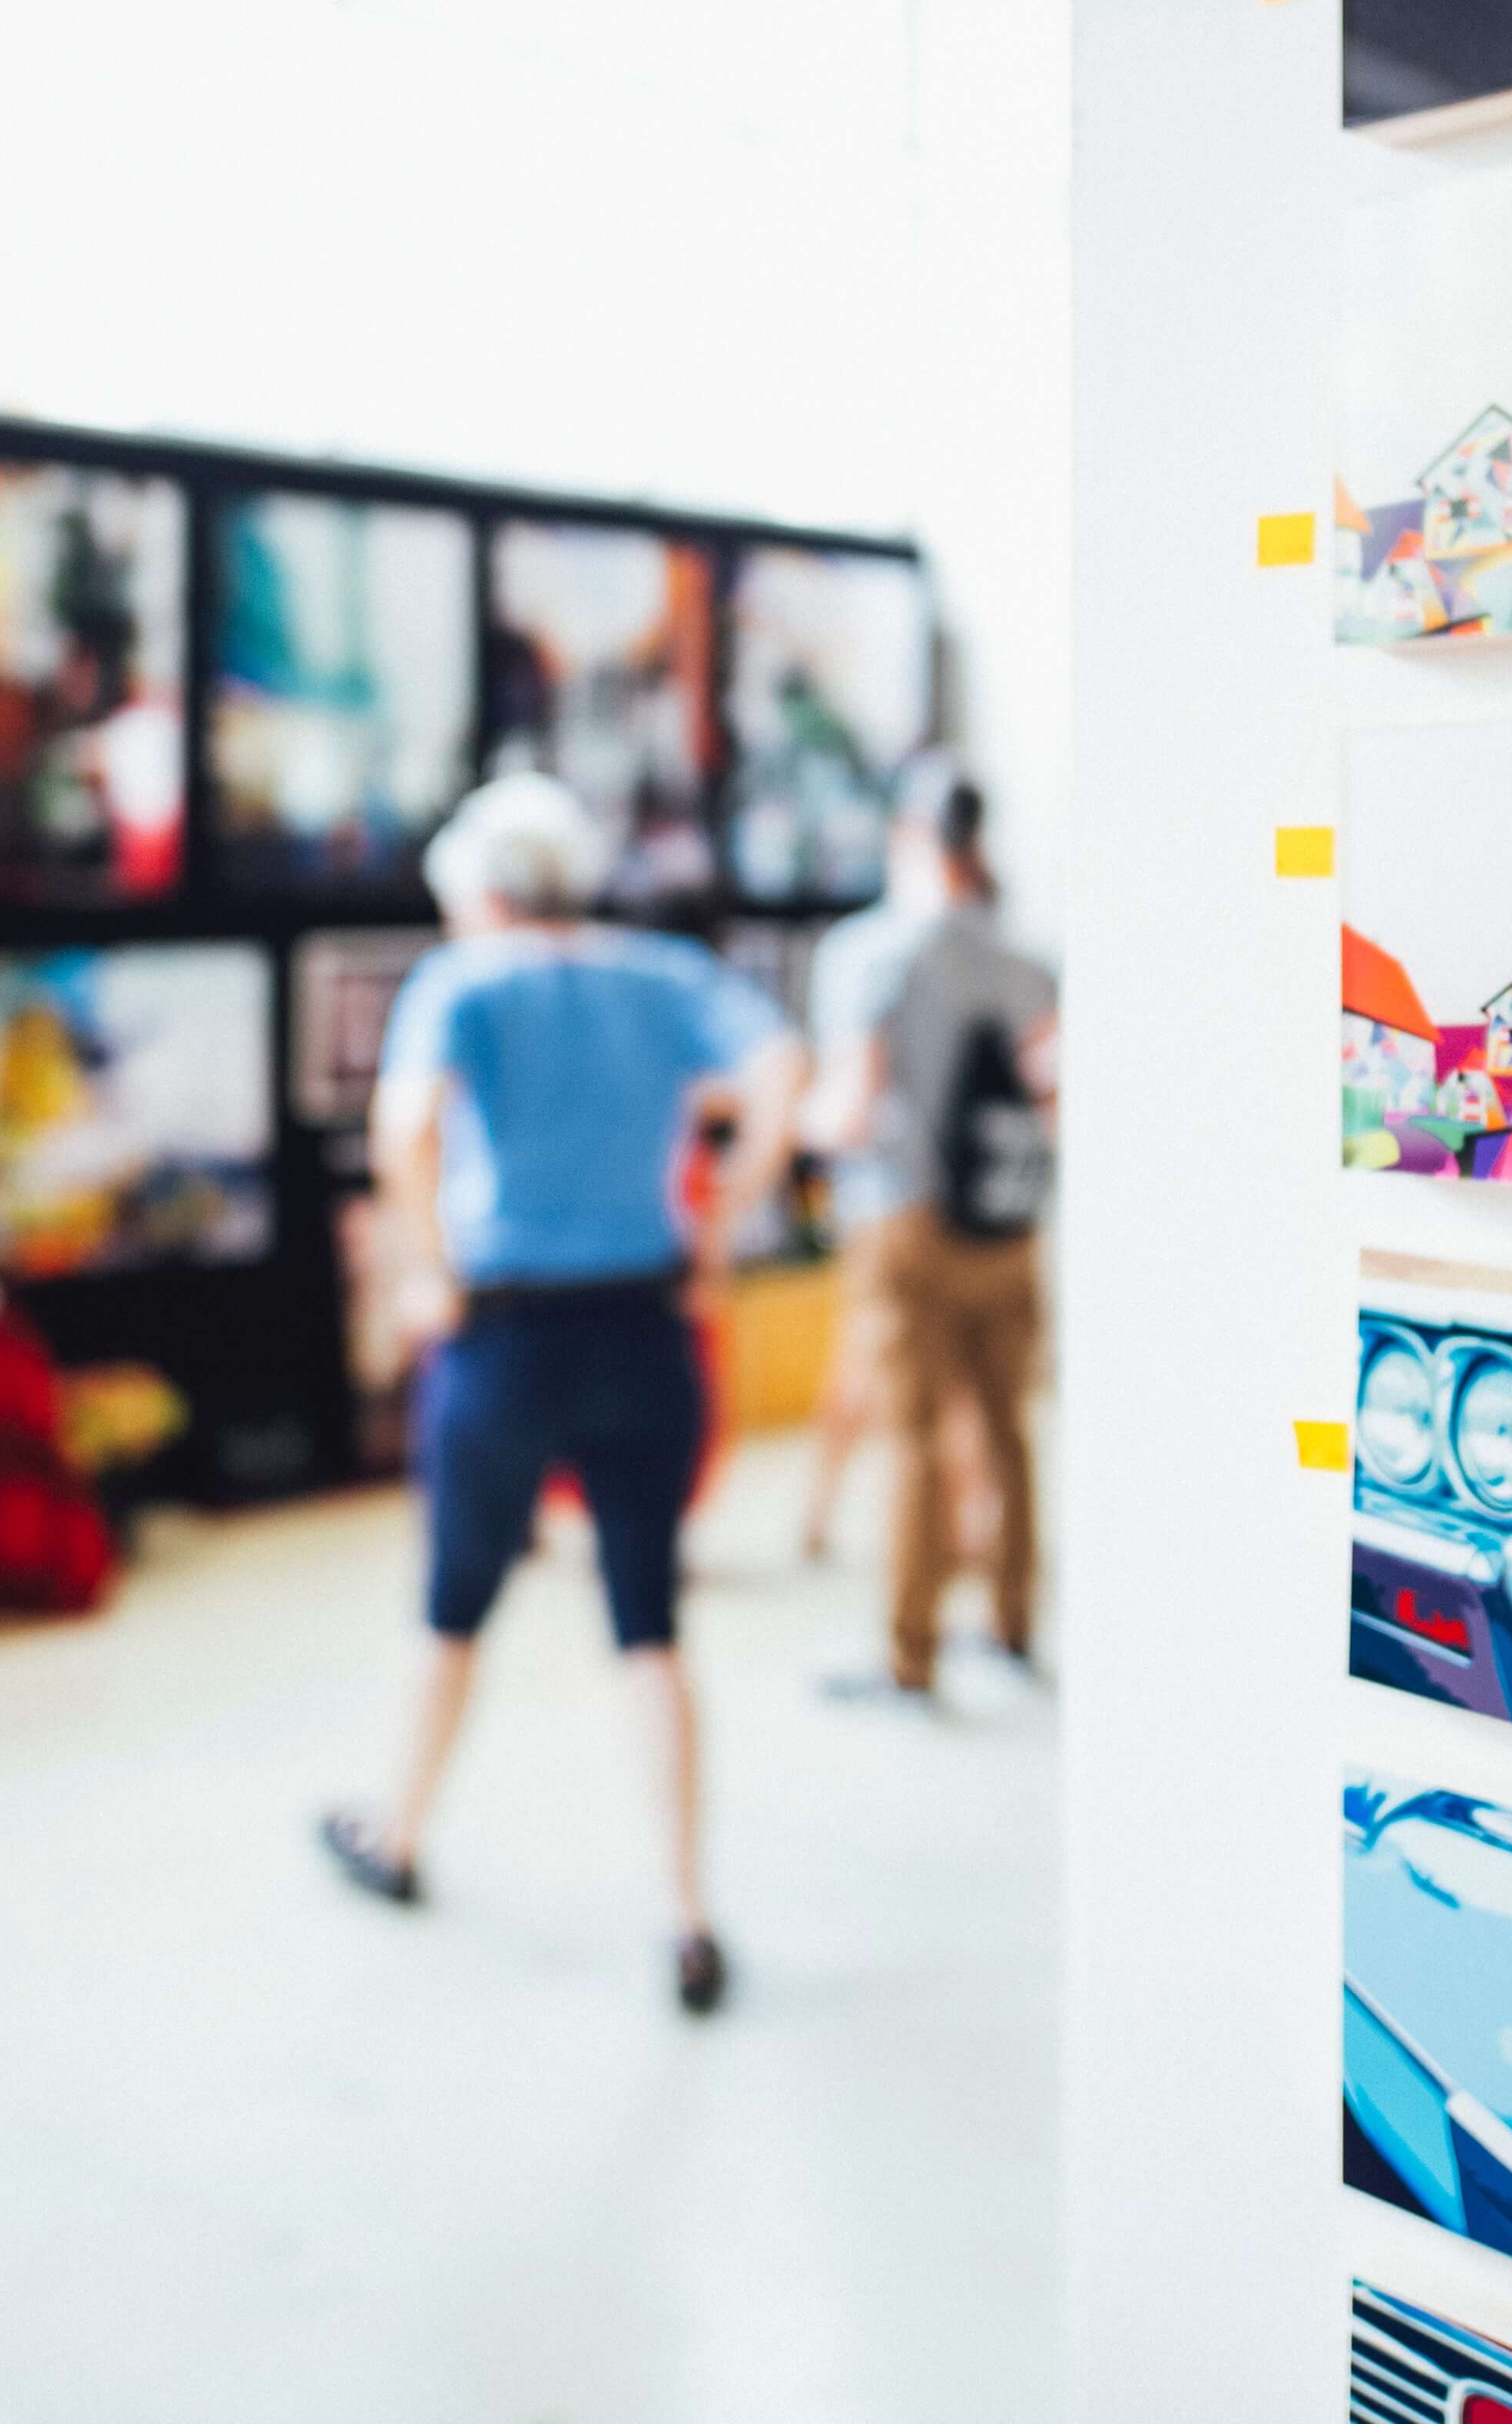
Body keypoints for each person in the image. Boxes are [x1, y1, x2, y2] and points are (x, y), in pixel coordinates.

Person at [319, 773, 804, 2016]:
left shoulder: (464, 983)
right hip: (645, 1328)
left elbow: (405, 1128)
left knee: (457, 1607)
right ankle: (689, 1916)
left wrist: (431, 1265)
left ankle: (400, 1836)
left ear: (479, 891)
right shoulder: (660, 975)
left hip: (506, 1337)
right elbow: (784, 1070)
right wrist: (725, 1219)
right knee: (649, 1624)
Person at [800, 756, 1057, 1705]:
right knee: (1006, 1429)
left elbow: (853, 1104)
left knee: (910, 1438)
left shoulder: (868, 955)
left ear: (908, 838)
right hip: (1009, 1223)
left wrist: (802, 1124)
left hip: (902, 1222)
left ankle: (910, 1655)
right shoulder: (1029, 961)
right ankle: (1013, 1626)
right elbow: (1052, 1094)